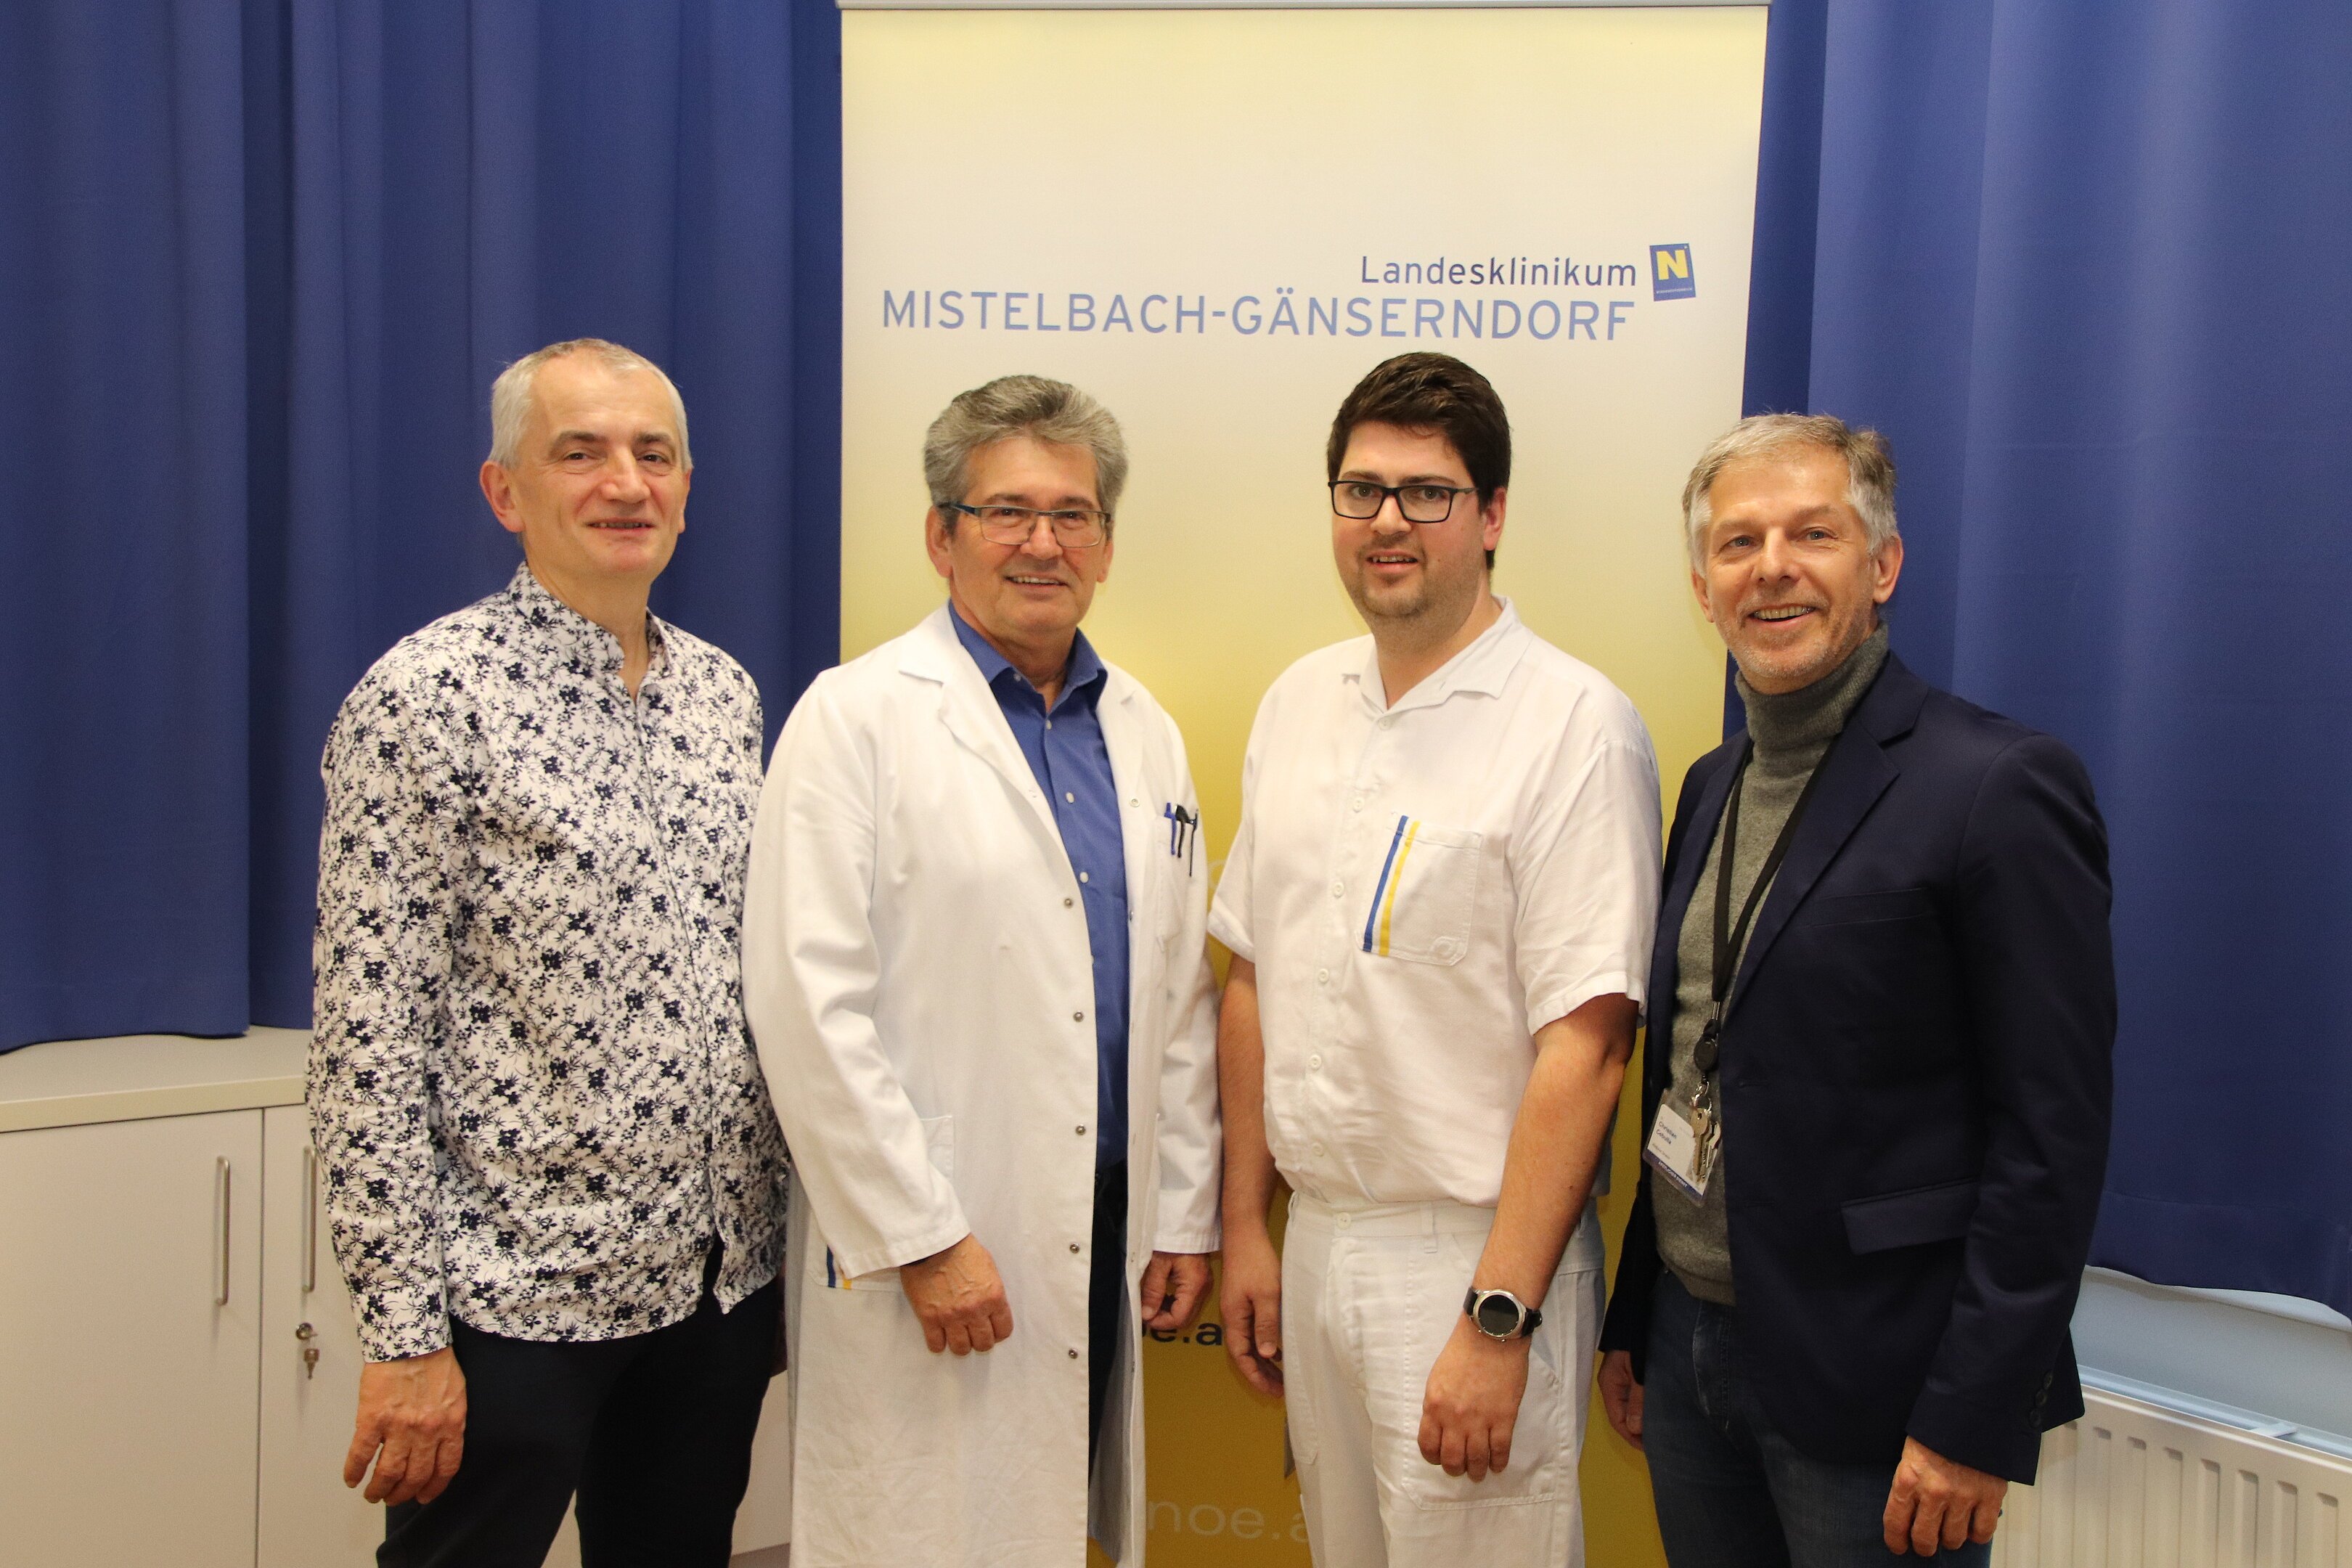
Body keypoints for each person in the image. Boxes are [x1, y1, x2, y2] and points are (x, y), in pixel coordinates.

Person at [1596, 414, 2114, 1565]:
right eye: (1739, 543)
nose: (1772, 567)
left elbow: (2052, 1137)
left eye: (1812, 534)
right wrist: (1637, 1317)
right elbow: (1693, 1062)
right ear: (1703, 587)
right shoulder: (1709, 784)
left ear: (1882, 566)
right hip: (1686, 1354)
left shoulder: (1996, 785)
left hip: (1885, 1385)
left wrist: (1977, 1415)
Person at [309, 338, 788, 1567]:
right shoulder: (425, 700)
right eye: (580, 453)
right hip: (510, 1300)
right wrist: (404, 1336)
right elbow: (367, 1043)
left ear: (688, 487)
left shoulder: (725, 696)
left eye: (654, 455)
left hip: (712, 1285)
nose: (626, 483)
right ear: (505, 491)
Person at [742, 374, 1221, 1566]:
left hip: (1102, 1221)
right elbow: (805, 1005)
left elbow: (1177, 1003)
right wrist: (919, 1233)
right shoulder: (855, 719)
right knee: (922, 1532)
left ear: (1106, 543)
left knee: (1046, 1528)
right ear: (940, 535)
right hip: (938, 1221)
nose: (1042, 543)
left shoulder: (1145, 733)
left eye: (1072, 514)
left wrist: (1183, 1210)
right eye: (1007, 511)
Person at [1213, 351, 1662, 1567]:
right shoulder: (1298, 702)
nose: (1388, 522)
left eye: (1428, 493)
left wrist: (1498, 1318)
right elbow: (1252, 974)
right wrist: (1247, 1224)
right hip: (1317, 1242)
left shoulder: (1574, 725)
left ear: (1493, 514)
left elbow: (1590, 1045)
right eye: (1362, 490)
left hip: (1468, 1261)